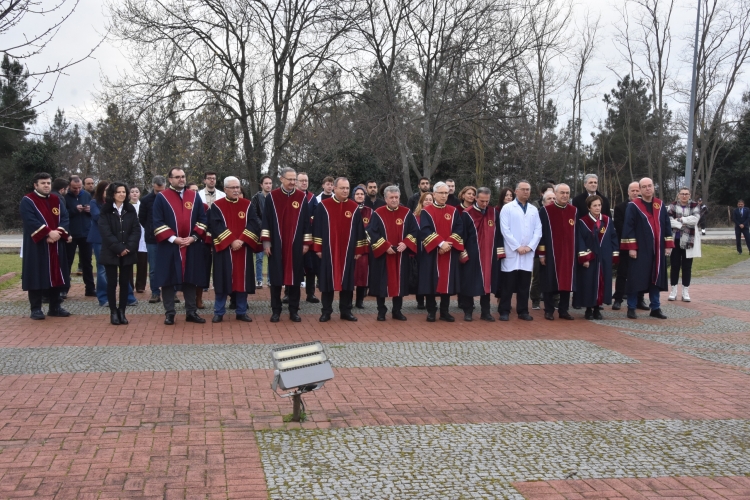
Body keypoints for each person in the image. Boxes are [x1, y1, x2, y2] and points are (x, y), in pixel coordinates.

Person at [153, 168, 209, 325]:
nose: (181, 179)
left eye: (183, 176)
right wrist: (173, 238)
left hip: (191, 245)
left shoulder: (194, 196)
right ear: (170, 179)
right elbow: (157, 222)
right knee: (168, 280)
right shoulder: (162, 197)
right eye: (177, 177)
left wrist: (193, 237)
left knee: (191, 279)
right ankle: (169, 313)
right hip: (170, 245)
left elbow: (202, 219)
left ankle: (191, 312)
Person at [312, 177, 367, 322]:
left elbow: (360, 231)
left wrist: (358, 250)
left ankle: (346, 311)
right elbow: (317, 228)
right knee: (327, 281)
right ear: (334, 188)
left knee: (348, 282)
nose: (345, 191)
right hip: (329, 251)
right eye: (342, 188)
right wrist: (318, 248)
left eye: (347, 188)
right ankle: (326, 311)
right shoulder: (324, 206)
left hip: (348, 252)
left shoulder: (354, 207)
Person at [208, 176, 262, 322]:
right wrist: (231, 241)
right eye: (233, 188)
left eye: (238, 187)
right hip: (224, 250)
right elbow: (216, 226)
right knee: (222, 281)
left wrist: (242, 240)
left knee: (242, 281)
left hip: (243, 250)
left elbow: (253, 224)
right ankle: (219, 312)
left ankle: (241, 311)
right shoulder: (217, 206)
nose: (236, 190)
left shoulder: (248, 204)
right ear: (225, 189)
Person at [261, 167, 312, 322]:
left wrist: (306, 243)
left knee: (295, 278)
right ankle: (276, 310)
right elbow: (266, 221)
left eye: (294, 179)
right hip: (276, 244)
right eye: (289, 179)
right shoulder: (272, 197)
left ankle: (293, 310)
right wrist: (266, 243)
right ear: (281, 179)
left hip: (295, 245)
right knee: (276, 278)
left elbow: (306, 222)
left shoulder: (301, 197)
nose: (292, 182)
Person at [620, 177, 673, 320]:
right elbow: (628, 227)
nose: (647, 188)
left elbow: (667, 226)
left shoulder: (660, 205)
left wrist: (668, 245)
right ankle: (631, 307)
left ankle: (655, 307)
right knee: (636, 278)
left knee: (655, 278)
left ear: (653, 187)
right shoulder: (634, 206)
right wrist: (631, 248)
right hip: (640, 249)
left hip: (657, 249)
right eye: (644, 187)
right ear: (640, 190)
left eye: (650, 186)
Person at [21, 173, 72, 320]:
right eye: (43, 183)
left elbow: (65, 217)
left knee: (57, 274)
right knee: (36, 274)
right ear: (35, 185)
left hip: (56, 245)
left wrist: (58, 233)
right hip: (37, 245)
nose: (46, 185)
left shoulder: (57, 199)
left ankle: (55, 307)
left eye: (48, 183)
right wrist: (48, 233)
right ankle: (36, 309)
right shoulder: (28, 200)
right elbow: (30, 220)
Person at [366, 186, 419, 321]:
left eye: (396, 197)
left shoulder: (407, 213)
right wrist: (385, 246)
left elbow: (415, 232)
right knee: (381, 283)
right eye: (391, 197)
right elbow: (371, 233)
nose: (394, 200)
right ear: (385, 199)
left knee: (400, 283)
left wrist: (406, 242)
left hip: (401, 255)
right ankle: (381, 311)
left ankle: (397, 311)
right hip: (383, 255)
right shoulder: (378, 213)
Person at [418, 182, 465, 322]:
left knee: (447, 282)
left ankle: (445, 311)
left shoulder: (453, 210)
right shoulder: (426, 211)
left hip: (449, 254)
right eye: (441, 193)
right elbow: (425, 230)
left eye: (446, 193)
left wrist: (448, 243)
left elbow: (459, 229)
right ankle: (431, 311)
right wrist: (441, 243)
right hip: (432, 253)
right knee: (431, 282)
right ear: (434, 194)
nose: (444, 195)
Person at [98, 183, 141, 325]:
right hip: (111, 252)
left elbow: (136, 230)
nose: (122, 194)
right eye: (118, 192)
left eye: (124, 192)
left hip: (127, 252)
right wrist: (118, 248)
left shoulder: (130, 210)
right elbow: (105, 232)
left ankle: (122, 311)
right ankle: (113, 311)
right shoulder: (105, 210)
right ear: (113, 194)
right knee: (111, 283)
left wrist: (128, 248)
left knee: (124, 282)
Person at [458, 187, 504, 322]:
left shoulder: (494, 213)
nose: (484, 204)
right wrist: (463, 254)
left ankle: (486, 312)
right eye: (482, 201)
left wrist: (499, 253)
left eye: (487, 201)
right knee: (469, 283)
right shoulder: (467, 214)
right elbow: (461, 236)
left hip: (489, 256)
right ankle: (468, 311)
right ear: (476, 198)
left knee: (488, 284)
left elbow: (499, 235)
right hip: (473, 255)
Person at [498, 181, 542, 321]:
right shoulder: (508, 208)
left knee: (524, 284)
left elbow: (538, 230)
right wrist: (517, 246)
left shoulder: (533, 210)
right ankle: (504, 310)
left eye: (528, 190)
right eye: (523, 189)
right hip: (512, 251)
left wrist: (529, 247)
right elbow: (505, 230)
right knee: (508, 284)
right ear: (516, 191)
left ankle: (522, 311)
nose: (526, 192)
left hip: (527, 252)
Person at [537, 184, 578, 321]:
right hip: (551, 252)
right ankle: (548, 310)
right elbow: (540, 234)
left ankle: (563, 310)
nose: (565, 195)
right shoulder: (546, 211)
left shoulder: (574, 211)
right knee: (549, 281)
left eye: (567, 193)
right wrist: (541, 253)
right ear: (555, 193)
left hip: (568, 253)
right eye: (562, 193)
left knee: (566, 282)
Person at [574, 195, 619, 319]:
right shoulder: (583, 222)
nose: (598, 208)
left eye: (599, 205)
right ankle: (588, 309)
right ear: (589, 207)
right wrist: (585, 257)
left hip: (604, 257)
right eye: (594, 205)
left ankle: (597, 308)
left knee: (602, 282)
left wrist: (614, 254)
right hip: (591, 258)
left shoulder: (607, 220)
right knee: (589, 282)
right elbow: (580, 240)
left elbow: (613, 237)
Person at [612, 182, 645, 311]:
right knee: (622, 273)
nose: (635, 193)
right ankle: (618, 299)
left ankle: (640, 300)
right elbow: (620, 226)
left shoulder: (645, 207)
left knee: (641, 274)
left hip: (642, 247)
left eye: (638, 190)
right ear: (628, 192)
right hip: (625, 245)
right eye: (633, 190)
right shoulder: (620, 208)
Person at [63, 175, 95, 298]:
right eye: (74, 188)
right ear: (69, 186)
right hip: (71, 233)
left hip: (86, 233)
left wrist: (89, 210)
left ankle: (90, 288)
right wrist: (75, 210)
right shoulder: (65, 197)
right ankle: (64, 288)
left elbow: (93, 212)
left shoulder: (86, 195)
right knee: (68, 261)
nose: (77, 190)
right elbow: (63, 215)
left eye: (79, 187)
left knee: (87, 262)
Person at [667, 188, 701, 302]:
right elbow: (668, 220)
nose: (684, 196)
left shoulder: (695, 205)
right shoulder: (671, 206)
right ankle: (673, 290)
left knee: (687, 267)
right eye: (682, 194)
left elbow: (695, 219)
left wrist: (681, 220)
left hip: (688, 240)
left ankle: (685, 291)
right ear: (678, 195)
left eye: (686, 194)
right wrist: (682, 224)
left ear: (690, 195)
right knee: (674, 266)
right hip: (675, 240)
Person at [139, 176, 167, 304]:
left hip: (169, 238)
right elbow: (142, 218)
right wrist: (152, 229)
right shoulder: (145, 200)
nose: (160, 193)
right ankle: (155, 292)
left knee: (169, 266)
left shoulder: (171, 198)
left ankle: (170, 292)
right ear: (153, 187)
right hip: (152, 238)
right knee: (154, 268)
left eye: (162, 190)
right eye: (157, 191)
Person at [188, 182, 213, 309]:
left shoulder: (204, 207)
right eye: (192, 190)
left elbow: (207, 224)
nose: (194, 193)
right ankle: (189, 299)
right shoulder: (182, 205)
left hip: (202, 244)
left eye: (196, 191)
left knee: (201, 273)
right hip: (186, 243)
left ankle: (199, 298)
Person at [530, 185, 555, 309]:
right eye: (549, 198)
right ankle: (535, 299)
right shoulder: (539, 213)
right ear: (543, 201)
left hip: (554, 250)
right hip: (538, 249)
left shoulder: (558, 213)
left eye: (554, 198)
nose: (552, 201)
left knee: (554, 275)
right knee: (538, 275)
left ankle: (554, 299)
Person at [297, 172, 320, 303]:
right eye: (302, 181)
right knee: (294, 266)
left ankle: (310, 294)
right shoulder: (292, 197)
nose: (304, 183)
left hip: (309, 238)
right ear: (296, 182)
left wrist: (309, 220)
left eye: (306, 180)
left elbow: (316, 215)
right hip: (295, 238)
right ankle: (290, 293)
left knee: (310, 268)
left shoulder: (312, 198)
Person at [412, 191, 433, 309]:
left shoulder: (434, 214)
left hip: (430, 249)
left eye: (431, 199)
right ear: (421, 202)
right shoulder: (415, 216)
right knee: (419, 274)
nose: (428, 201)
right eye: (426, 199)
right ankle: (420, 300)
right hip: (418, 249)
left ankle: (430, 298)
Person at [352, 185, 372, 308]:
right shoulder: (349, 208)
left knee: (362, 275)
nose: (360, 196)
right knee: (350, 276)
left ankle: (359, 301)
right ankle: (347, 301)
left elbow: (372, 227)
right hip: (350, 248)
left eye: (362, 194)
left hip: (364, 248)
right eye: (357, 194)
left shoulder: (369, 211)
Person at [252, 175, 273, 288]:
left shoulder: (275, 197)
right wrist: (263, 226)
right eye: (266, 183)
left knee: (271, 255)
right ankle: (259, 280)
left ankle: (270, 279)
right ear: (261, 185)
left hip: (272, 232)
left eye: (270, 183)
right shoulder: (256, 198)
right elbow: (254, 214)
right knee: (259, 257)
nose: (268, 185)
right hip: (259, 232)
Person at [129, 186, 149, 293]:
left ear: (140, 194)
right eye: (132, 192)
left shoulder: (143, 205)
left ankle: (141, 286)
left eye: (136, 192)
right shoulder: (126, 206)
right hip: (130, 237)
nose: (134, 194)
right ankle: (129, 285)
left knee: (142, 262)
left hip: (142, 237)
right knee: (129, 262)